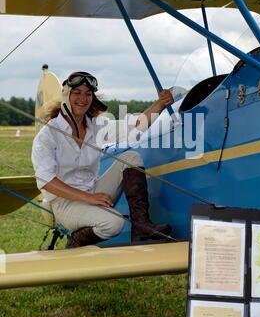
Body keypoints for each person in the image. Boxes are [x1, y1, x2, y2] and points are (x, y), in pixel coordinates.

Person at [32, 71, 174, 248]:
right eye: (77, 93)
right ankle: (76, 241)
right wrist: (88, 198)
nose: (83, 99)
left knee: (130, 157)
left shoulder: (96, 126)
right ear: (66, 96)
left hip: (92, 189)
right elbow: (46, 181)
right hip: (65, 203)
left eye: (88, 94)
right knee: (114, 224)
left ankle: (142, 226)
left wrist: (160, 103)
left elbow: (136, 126)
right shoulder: (48, 135)